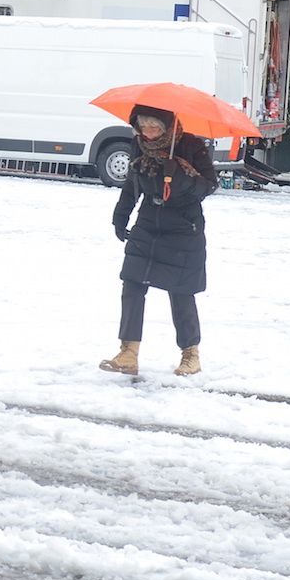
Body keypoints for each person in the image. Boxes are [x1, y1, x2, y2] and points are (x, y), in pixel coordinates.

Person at [99, 105, 216, 378]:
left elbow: (209, 186)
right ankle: (128, 352)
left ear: (167, 126)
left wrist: (180, 175)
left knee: (181, 291)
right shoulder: (140, 145)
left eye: (155, 127)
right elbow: (131, 185)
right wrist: (120, 217)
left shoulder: (191, 146)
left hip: (183, 228)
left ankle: (191, 355)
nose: (149, 132)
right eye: (143, 126)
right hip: (149, 223)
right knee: (132, 283)